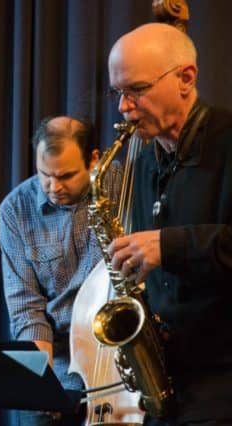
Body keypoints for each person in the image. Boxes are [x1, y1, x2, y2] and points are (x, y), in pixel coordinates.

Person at [107, 23, 232, 424]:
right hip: (174, 384)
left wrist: (169, 245)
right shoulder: (146, 161)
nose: (123, 106)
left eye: (136, 89)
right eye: (117, 92)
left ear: (186, 78)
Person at [0, 116, 122, 425]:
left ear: (94, 160)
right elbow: (27, 309)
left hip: (119, 367)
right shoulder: (15, 210)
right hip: (58, 364)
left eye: (66, 176)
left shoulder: (123, 184)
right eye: (45, 175)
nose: (54, 187)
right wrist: (44, 383)